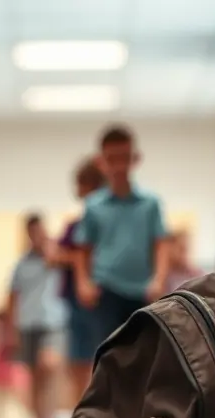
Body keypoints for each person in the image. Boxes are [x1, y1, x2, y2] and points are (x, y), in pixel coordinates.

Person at [73, 125, 170, 350]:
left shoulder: (150, 203)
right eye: (112, 159)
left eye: (124, 158)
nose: (118, 166)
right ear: (101, 162)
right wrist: (83, 283)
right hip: (106, 291)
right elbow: (82, 249)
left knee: (144, 356)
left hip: (143, 293)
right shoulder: (93, 206)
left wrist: (159, 279)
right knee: (109, 358)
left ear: (135, 159)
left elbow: (161, 243)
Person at [7, 213, 66, 418]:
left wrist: (53, 254)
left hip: (53, 322)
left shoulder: (58, 256)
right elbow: (12, 298)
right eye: (33, 232)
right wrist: (12, 329)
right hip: (27, 323)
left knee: (48, 366)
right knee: (33, 376)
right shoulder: (21, 265)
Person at [54, 157, 106, 403]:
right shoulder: (75, 226)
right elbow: (54, 255)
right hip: (76, 303)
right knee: (77, 364)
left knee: (102, 363)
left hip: (101, 301)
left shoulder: (108, 226)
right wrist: (74, 259)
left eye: (81, 185)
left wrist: (75, 259)